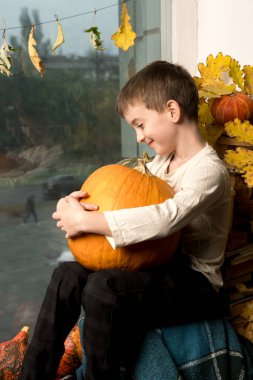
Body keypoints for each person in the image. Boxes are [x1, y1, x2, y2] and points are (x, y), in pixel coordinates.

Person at [20, 61, 231, 380]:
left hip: (196, 284)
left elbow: (165, 217)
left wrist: (90, 223)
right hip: (159, 266)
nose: (139, 137)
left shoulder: (209, 171)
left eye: (140, 124)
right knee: (67, 274)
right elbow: (123, 196)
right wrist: (73, 204)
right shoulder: (162, 164)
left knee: (105, 288)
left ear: (172, 111)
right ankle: (32, 374)